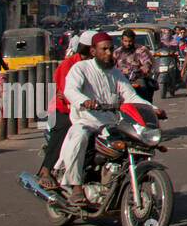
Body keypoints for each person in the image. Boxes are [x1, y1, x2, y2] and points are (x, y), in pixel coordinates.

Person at [53, 32, 166, 206]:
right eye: (103, 49)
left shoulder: (115, 73)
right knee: (79, 136)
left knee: (135, 142)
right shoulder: (81, 69)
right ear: (93, 51)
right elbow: (70, 91)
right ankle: (76, 187)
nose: (108, 53)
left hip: (111, 124)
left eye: (111, 49)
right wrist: (84, 101)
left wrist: (154, 109)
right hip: (86, 121)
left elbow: (130, 96)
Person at [38, 33, 93, 191]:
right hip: (61, 109)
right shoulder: (68, 65)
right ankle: (45, 170)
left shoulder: (99, 66)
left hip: (88, 111)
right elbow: (65, 93)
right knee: (67, 128)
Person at [114, 28, 155, 103]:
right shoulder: (117, 52)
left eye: (130, 41)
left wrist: (145, 67)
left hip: (136, 79)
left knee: (143, 88)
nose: (128, 44)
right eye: (125, 41)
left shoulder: (139, 50)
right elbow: (111, 65)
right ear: (122, 41)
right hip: (121, 80)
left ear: (134, 41)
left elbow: (146, 61)